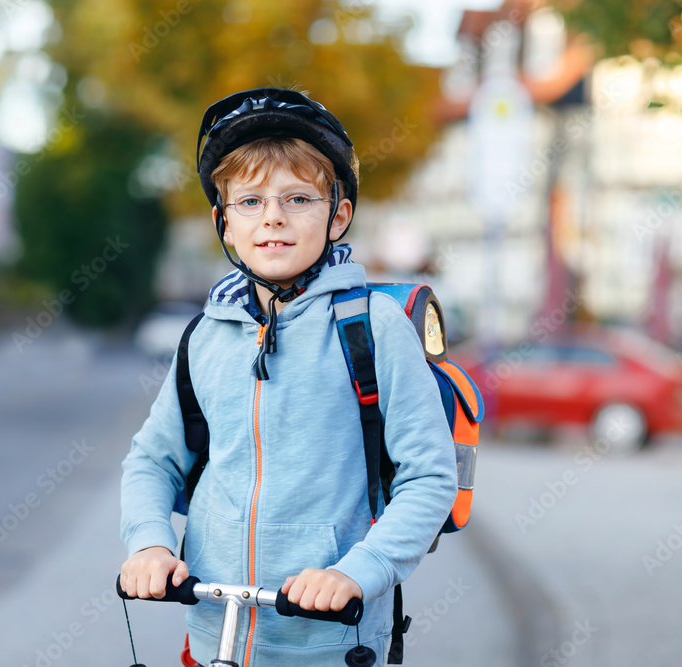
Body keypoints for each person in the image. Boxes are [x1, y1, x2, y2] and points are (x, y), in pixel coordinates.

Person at [119, 88, 458, 667]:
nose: (272, 216)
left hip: (329, 641)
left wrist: (359, 571)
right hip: (212, 635)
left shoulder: (372, 328)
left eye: (297, 198)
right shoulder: (205, 335)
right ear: (225, 225)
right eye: (249, 202)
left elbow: (429, 476)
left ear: (338, 215)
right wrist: (148, 542)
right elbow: (153, 458)